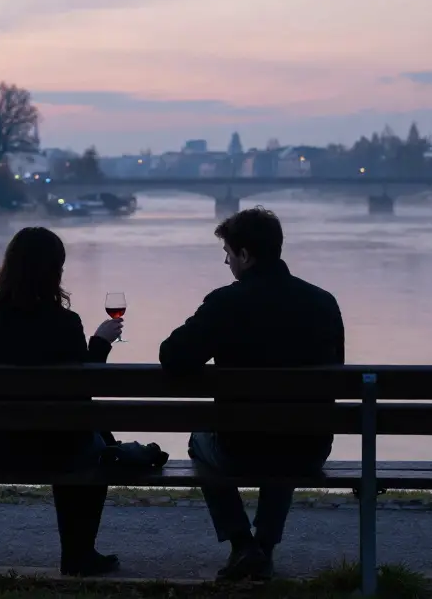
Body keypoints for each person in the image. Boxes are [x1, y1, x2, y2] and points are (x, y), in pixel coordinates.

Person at [158, 206, 345, 581]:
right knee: (288, 431)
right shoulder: (322, 302)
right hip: (309, 449)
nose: (227, 262)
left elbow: (173, 356)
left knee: (200, 442)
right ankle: (266, 546)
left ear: (245, 255)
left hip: (239, 450)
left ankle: (243, 544)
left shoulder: (227, 302)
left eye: (228, 254)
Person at [0, 226, 124, 577]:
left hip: (2, 445)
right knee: (95, 447)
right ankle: (79, 553)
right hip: (61, 446)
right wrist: (99, 343)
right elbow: (82, 389)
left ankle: (79, 553)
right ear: (54, 271)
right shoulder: (65, 323)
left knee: (83, 435)